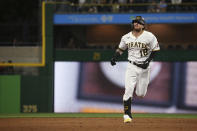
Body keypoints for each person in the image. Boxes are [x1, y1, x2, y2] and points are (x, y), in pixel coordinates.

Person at [110, 16, 160, 123]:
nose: (136, 23)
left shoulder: (149, 36)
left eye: (138, 22)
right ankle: (127, 115)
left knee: (141, 94)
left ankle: (136, 96)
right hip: (131, 66)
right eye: (134, 22)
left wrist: (148, 61)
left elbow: (155, 49)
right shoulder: (126, 37)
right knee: (128, 90)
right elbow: (120, 49)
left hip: (144, 67)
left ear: (143, 25)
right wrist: (115, 57)